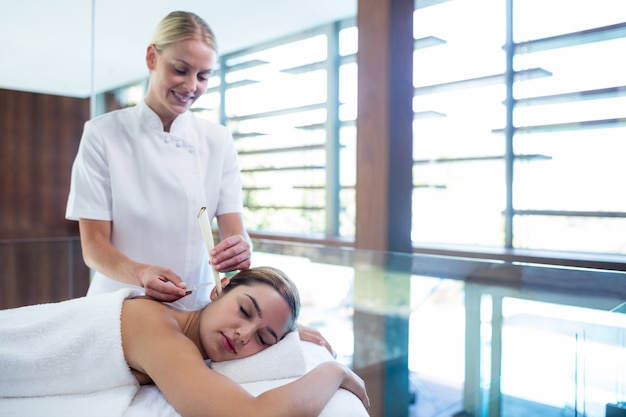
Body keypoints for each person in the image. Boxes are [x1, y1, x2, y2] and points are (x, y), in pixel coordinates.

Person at [65, 10, 251, 311]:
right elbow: (94, 249)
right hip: (119, 304)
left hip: (196, 307)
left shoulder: (218, 141)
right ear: (152, 58)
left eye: (204, 76)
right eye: (181, 69)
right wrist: (142, 274)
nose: (192, 86)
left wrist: (241, 250)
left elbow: (235, 231)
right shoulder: (103, 134)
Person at [0, 266, 370, 416]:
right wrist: (336, 371)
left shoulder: (180, 334)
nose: (243, 336)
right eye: (244, 310)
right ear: (218, 289)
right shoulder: (158, 330)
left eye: (263, 337)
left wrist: (287, 331)